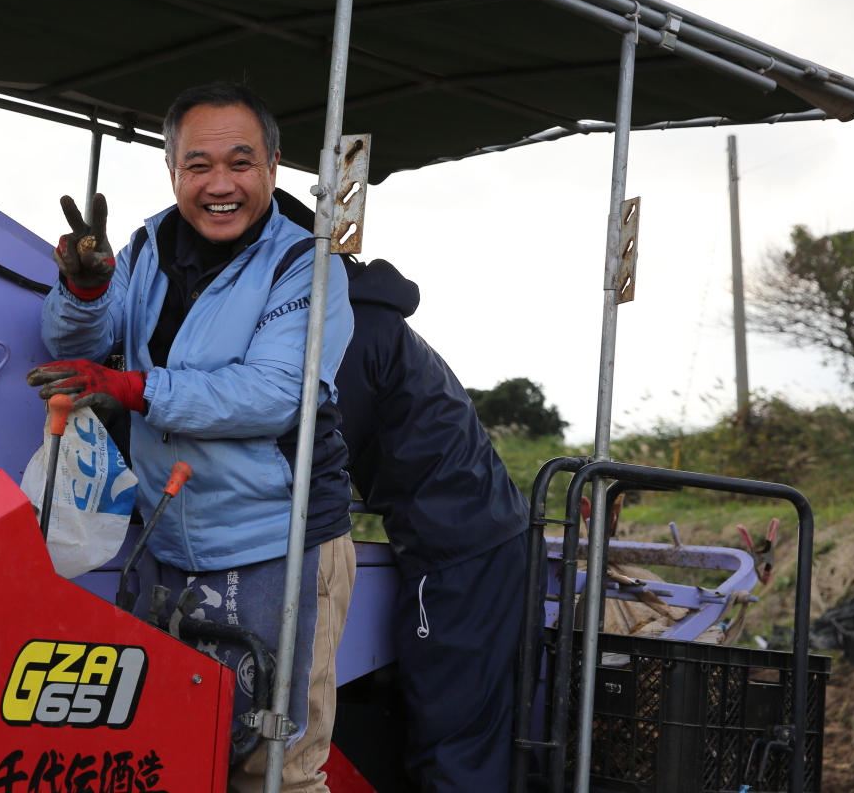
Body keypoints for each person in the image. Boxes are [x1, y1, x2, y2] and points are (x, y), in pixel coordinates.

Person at [28, 83, 355, 793]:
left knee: (273, 767)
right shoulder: (145, 246)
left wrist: (135, 388)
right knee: (163, 747)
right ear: (173, 171)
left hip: (280, 540)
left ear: (274, 165)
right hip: (168, 536)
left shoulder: (307, 263)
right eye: (198, 166)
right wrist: (84, 294)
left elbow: (277, 395)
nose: (220, 185)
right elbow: (74, 349)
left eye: (240, 163)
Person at [274, 190, 530, 793]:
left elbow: (317, 449)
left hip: (457, 549)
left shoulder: (349, 328)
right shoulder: (366, 314)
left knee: (452, 739)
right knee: (466, 731)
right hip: (474, 535)